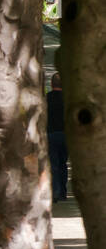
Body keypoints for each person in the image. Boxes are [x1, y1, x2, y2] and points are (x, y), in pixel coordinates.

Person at [47, 71, 69, 202]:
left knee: (53, 164)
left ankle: (55, 191)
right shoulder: (68, 99)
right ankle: (62, 192)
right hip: (65, 135)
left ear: (51, 84)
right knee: (63, 163)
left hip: (50, 134)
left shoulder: (46, 98)